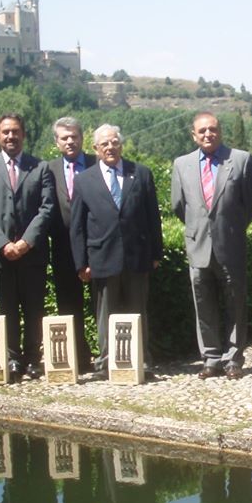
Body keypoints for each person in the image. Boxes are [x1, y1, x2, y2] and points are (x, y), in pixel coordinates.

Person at [70, 124, 163, 375]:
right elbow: (77, 226)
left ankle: (141, 360)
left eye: (114, 142)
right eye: (105, 144)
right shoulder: (84, 180)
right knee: (106, 314)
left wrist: (156, 253)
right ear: (95, 149)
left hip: (137, 255)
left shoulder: (140, 173)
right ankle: (105, 362)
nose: (110, 147)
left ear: (121, 145)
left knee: (138, 310)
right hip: (101, 256)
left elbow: (152, 216)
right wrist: (81, 263)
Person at [171, 112, 252, 379]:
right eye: (202, 131)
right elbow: (178, 205)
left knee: (235, 303)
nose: (208, 134)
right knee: (203, 303)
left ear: (220, 131)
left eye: (213, 129)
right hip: (198, 245)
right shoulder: (181, 164)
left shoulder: (241, 159)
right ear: (193, 135)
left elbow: (251, 204)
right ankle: (210, 357)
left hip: (230, 244)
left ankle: (233, 358)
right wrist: (200, 228)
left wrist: (230, 228)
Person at [0, 113, 56, 382]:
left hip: (32, 254)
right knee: (6, 308)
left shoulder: (41, 168)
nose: (11, 136)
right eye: (6, 132)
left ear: (24, 135)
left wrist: (25, 242)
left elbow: (47, 208)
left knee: (34, 309)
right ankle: (11, 359)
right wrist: (3, 245)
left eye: (16, 131)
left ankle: (33, 359)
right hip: (1, 256)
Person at [47, 116, 95, 372]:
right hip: (64, 247)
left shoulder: (97, 164)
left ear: (82, 138)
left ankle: (108, 356)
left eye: (74, 136)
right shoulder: (49, 169)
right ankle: (78, 355)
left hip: (97, 245)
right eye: (64, 137)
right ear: (57, 142)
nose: (70, 141)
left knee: (102, 302)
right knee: (69, 303)